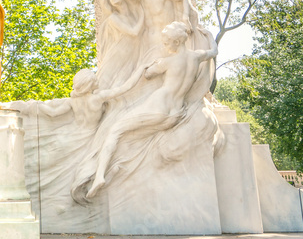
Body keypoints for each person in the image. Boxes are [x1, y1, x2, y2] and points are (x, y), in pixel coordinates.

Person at [85, 21, 217, 199]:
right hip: (175, 114)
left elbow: (147, 74)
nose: (165, 45)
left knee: (115, 130)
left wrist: (150, 64)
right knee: (135, 138)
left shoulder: (168, 62)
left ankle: (99, 176)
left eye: (166, 42)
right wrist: (208, 35)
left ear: (176, 42)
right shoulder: (196, 57)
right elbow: (214, 51)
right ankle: (118, 169)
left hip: (158, 106)